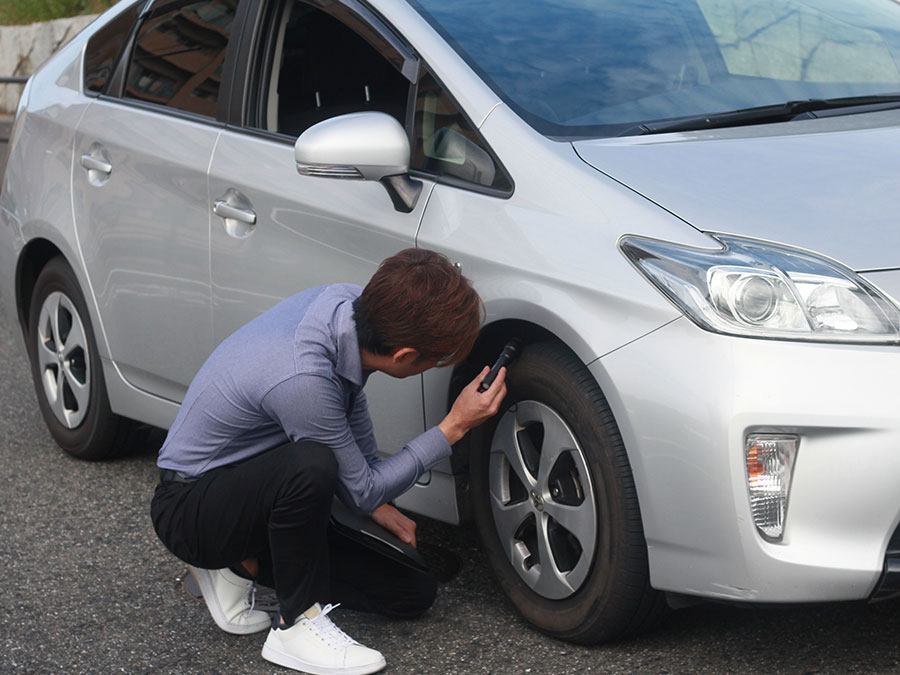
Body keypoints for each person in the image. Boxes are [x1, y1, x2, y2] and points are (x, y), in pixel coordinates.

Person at [150, 248, 507, 675]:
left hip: (259, 493)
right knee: (312, 464)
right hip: (192, 508)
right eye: (435, 361)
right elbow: (356, 487)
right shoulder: (303, 375)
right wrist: (454, 427)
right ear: (405, 357)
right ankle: (296, 623)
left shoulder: (349, 306)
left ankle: (238, 567)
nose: (436, 367)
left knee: (410, 592)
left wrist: (377, 503)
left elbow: (352, 423)